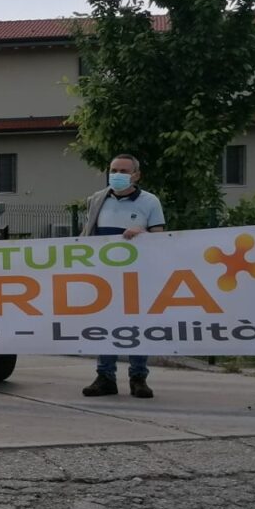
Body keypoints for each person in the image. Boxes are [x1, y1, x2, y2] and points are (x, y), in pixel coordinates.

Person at [79, 154, 166, 399]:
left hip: (137, 276)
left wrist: (143, 232)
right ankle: (105, 376)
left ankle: (138, 377)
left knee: (136, 326)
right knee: (106, 325)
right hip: (104, 277)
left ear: (136, 175)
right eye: (113, 169)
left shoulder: (150, 202)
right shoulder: (98, 200)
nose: (117, 174)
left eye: (124, 170)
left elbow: (161, 238)